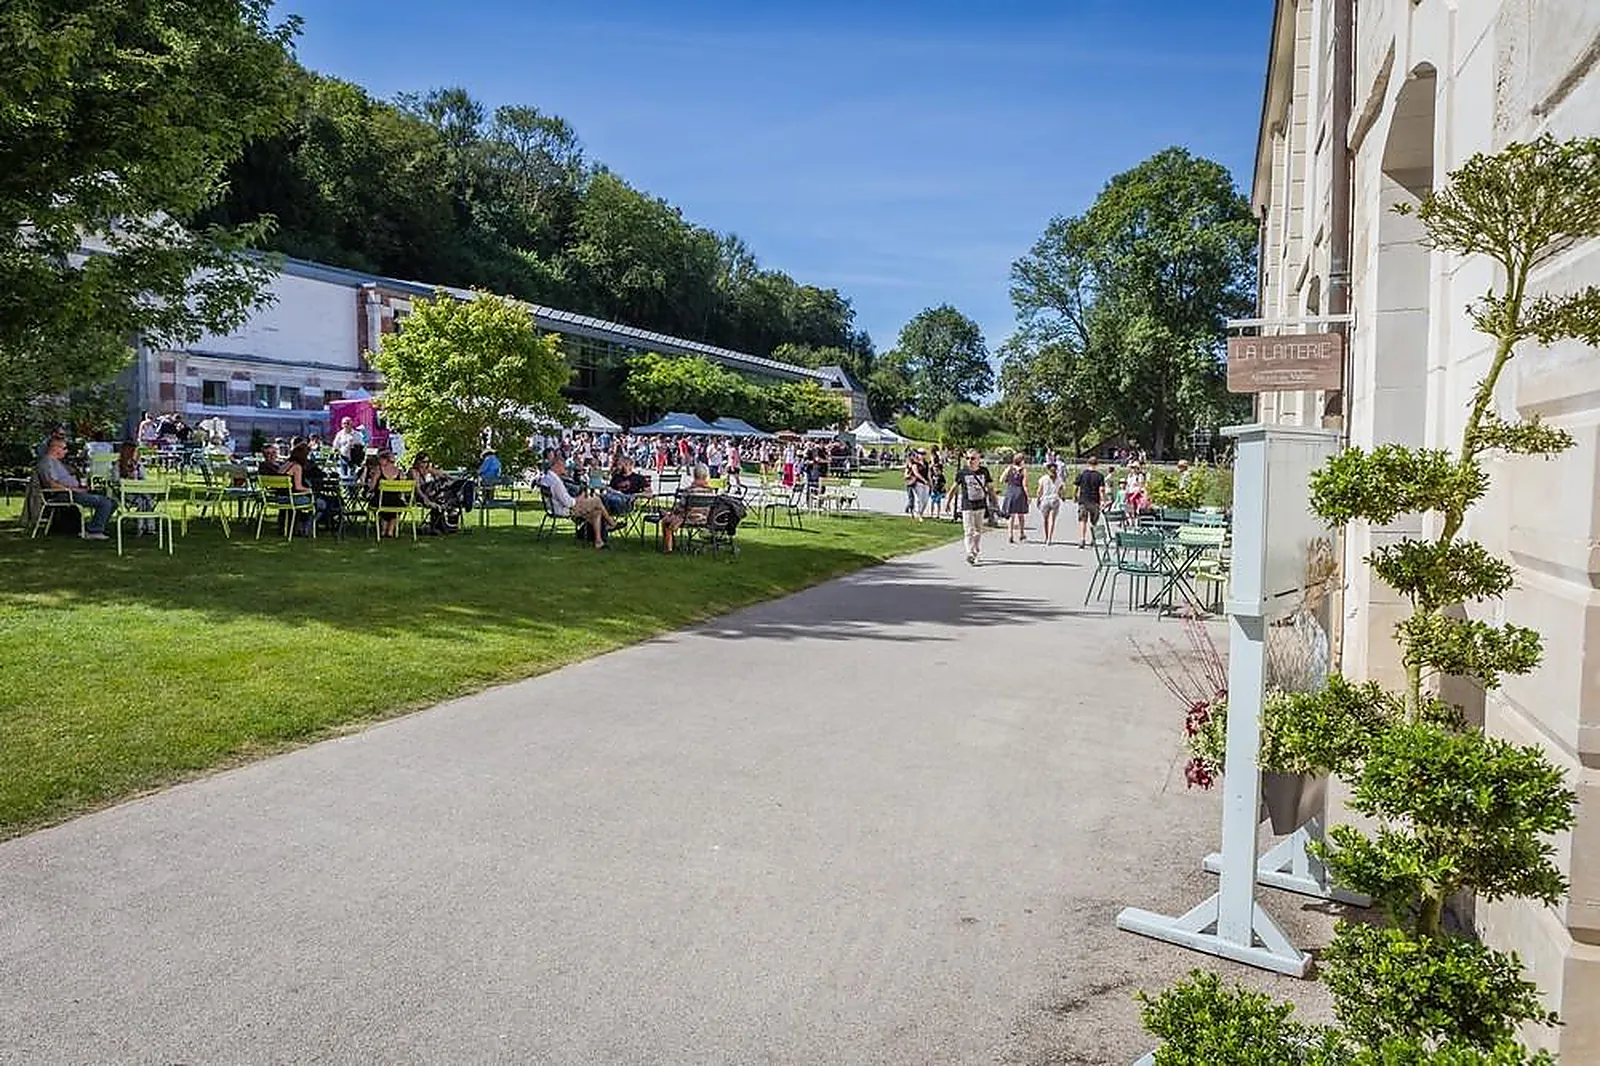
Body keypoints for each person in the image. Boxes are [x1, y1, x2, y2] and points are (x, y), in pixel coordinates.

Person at [36, 435, 117, 539]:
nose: (66, 451)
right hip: (64, 494)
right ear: (55, 448)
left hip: (73, 492)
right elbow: (52, 485)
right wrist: (74, 490)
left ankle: (92, 526)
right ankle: (93, 531)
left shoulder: (57, 462)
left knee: (112, 502)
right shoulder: (47, 462)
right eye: (64, 448)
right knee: (104, 502)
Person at [539, 454, 613, 550]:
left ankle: (598, 541)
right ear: (557, 466)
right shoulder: (556, 481)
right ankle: (611, 522)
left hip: (553, 508)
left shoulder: (546, 477)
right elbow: (568, 503)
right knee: (597, 500)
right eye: (563, 466)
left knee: (597, 512)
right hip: (564, 510)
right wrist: (579, 498)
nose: (564, 468)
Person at [661, 463, 714, 554]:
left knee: (666, 521)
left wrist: (671, 513)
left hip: (688, 519)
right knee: (670, 517)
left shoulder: (689, 490)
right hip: (704, 519)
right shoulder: (711, 491)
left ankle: (668, 548)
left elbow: (680, 508)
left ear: (694, 475)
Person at [954, 450, 992, 566]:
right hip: (967, 505)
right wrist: (948, 501)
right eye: (968, 458)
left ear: (978, 459)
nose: (970, 461)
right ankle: (970, 553)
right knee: (968, 531)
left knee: (978, 531)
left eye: (972, 458)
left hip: (980, 505)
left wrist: (995, 502)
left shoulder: (984, 471)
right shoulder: (962, 472)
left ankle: (975, 549)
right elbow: (954, 487)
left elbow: (990, 488)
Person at [113, 440, 156, 535]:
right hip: (126, 493)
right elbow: (116, 481)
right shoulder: (118, 465)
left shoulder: (138, 465)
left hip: (139, 490)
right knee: (145, 500)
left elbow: (144, 479)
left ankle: (149, 527)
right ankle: (142, 527)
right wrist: (128, 478)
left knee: (145, 499)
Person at [1074, 456, 1108, 548]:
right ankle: (1093, 539)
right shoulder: (1100, 476)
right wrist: (1103, 501)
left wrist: (1075, 495)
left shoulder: (1082, 474)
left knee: (1082, 520)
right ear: (1097, 464)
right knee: (1094, 522)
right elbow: (1101, 490)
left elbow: (1076, 486)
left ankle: (1082, 539)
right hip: (1094, 500)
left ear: (1088, 463)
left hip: (1083, 500)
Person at [1001, 453, 1030, 543]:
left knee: (1011, 515)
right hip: (1019, 492)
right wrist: (1028, 496)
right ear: (1021, 461)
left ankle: (1010, 534)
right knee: (1020, 515)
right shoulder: (1023, 471)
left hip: (1010, 491)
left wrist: (1008, 480)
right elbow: (1025, 485)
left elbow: (1001, 479)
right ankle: (1021, 533)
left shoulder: (1009, 468)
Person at [1037, 461, 1062, 545]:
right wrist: (1062, 497)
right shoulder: (1059, 479)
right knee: (1052, 520)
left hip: (1045, 499)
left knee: (1045, 519)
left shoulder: (1043, 478)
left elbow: (1039, 490)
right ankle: (1050, 538)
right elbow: (1060, 490)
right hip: (1054, 499)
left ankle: (1046, 536)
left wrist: (1038, 499)